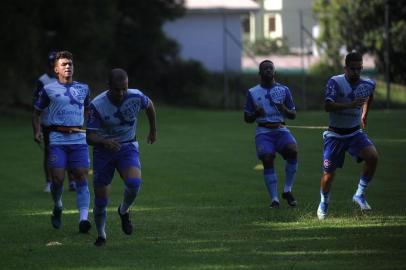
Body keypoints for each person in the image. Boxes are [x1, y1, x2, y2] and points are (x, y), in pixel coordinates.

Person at [86, 68, 157, 246]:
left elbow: (149, 106)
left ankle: (123, 210)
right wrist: (104, 141)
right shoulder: (97, 105)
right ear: (108, 86)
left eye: (124, 88)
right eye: (117, 89)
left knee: (134, 184)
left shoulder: (135, 96)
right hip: (104, 152)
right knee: (101, 200)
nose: (121, 93)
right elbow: (90, 137)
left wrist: (153, 130)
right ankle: (101, 234)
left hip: (128, 146)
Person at [32, 50, 92, 232]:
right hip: (57, 138)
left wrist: (92, 128)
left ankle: (83, 219)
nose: (68, 67)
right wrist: (37, 131)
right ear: (56, 69)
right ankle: (58, 205)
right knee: (57, 180)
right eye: (64, 64)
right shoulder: (48, 89)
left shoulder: (84, 88)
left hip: (78, 140)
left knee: (81, 175)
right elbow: (36, 112)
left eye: (70, 64)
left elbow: (89, 111)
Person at [317, 51, 379, 220]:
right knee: (328, 175)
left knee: (373, 157)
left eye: (359, 68)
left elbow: (370, 95)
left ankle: (359, 194)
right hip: (335, 135)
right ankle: (324, 201)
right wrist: (351, 104)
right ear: (345, 68)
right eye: (353, 69)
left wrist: (364, 114)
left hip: (354, 133)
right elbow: (328, 106)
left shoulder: (367, 84)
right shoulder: (335, 82)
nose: (356, 72)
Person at [244, 60, 299, 208]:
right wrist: (255, 113)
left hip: (281, 130)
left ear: (274, 72)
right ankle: (274, 199)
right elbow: (247, 118)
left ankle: (287, 190)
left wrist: (284, 109)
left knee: (293, 151)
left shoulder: (284, 90)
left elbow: (293, 114)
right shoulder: (253, 92)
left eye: (271, 68)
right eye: (265, 69)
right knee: (267, 158)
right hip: (263, 132)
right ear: (260, 73)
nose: (268, 71)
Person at [33, 51, 77, 193]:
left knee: (70, 151)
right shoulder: (43, 80)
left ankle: (72, 181)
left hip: (67, 122)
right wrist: (37, 130)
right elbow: (36, 106)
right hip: (49, 123)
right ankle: (49, 182)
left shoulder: (67, 78)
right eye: (52, 62)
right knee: (49, 153)